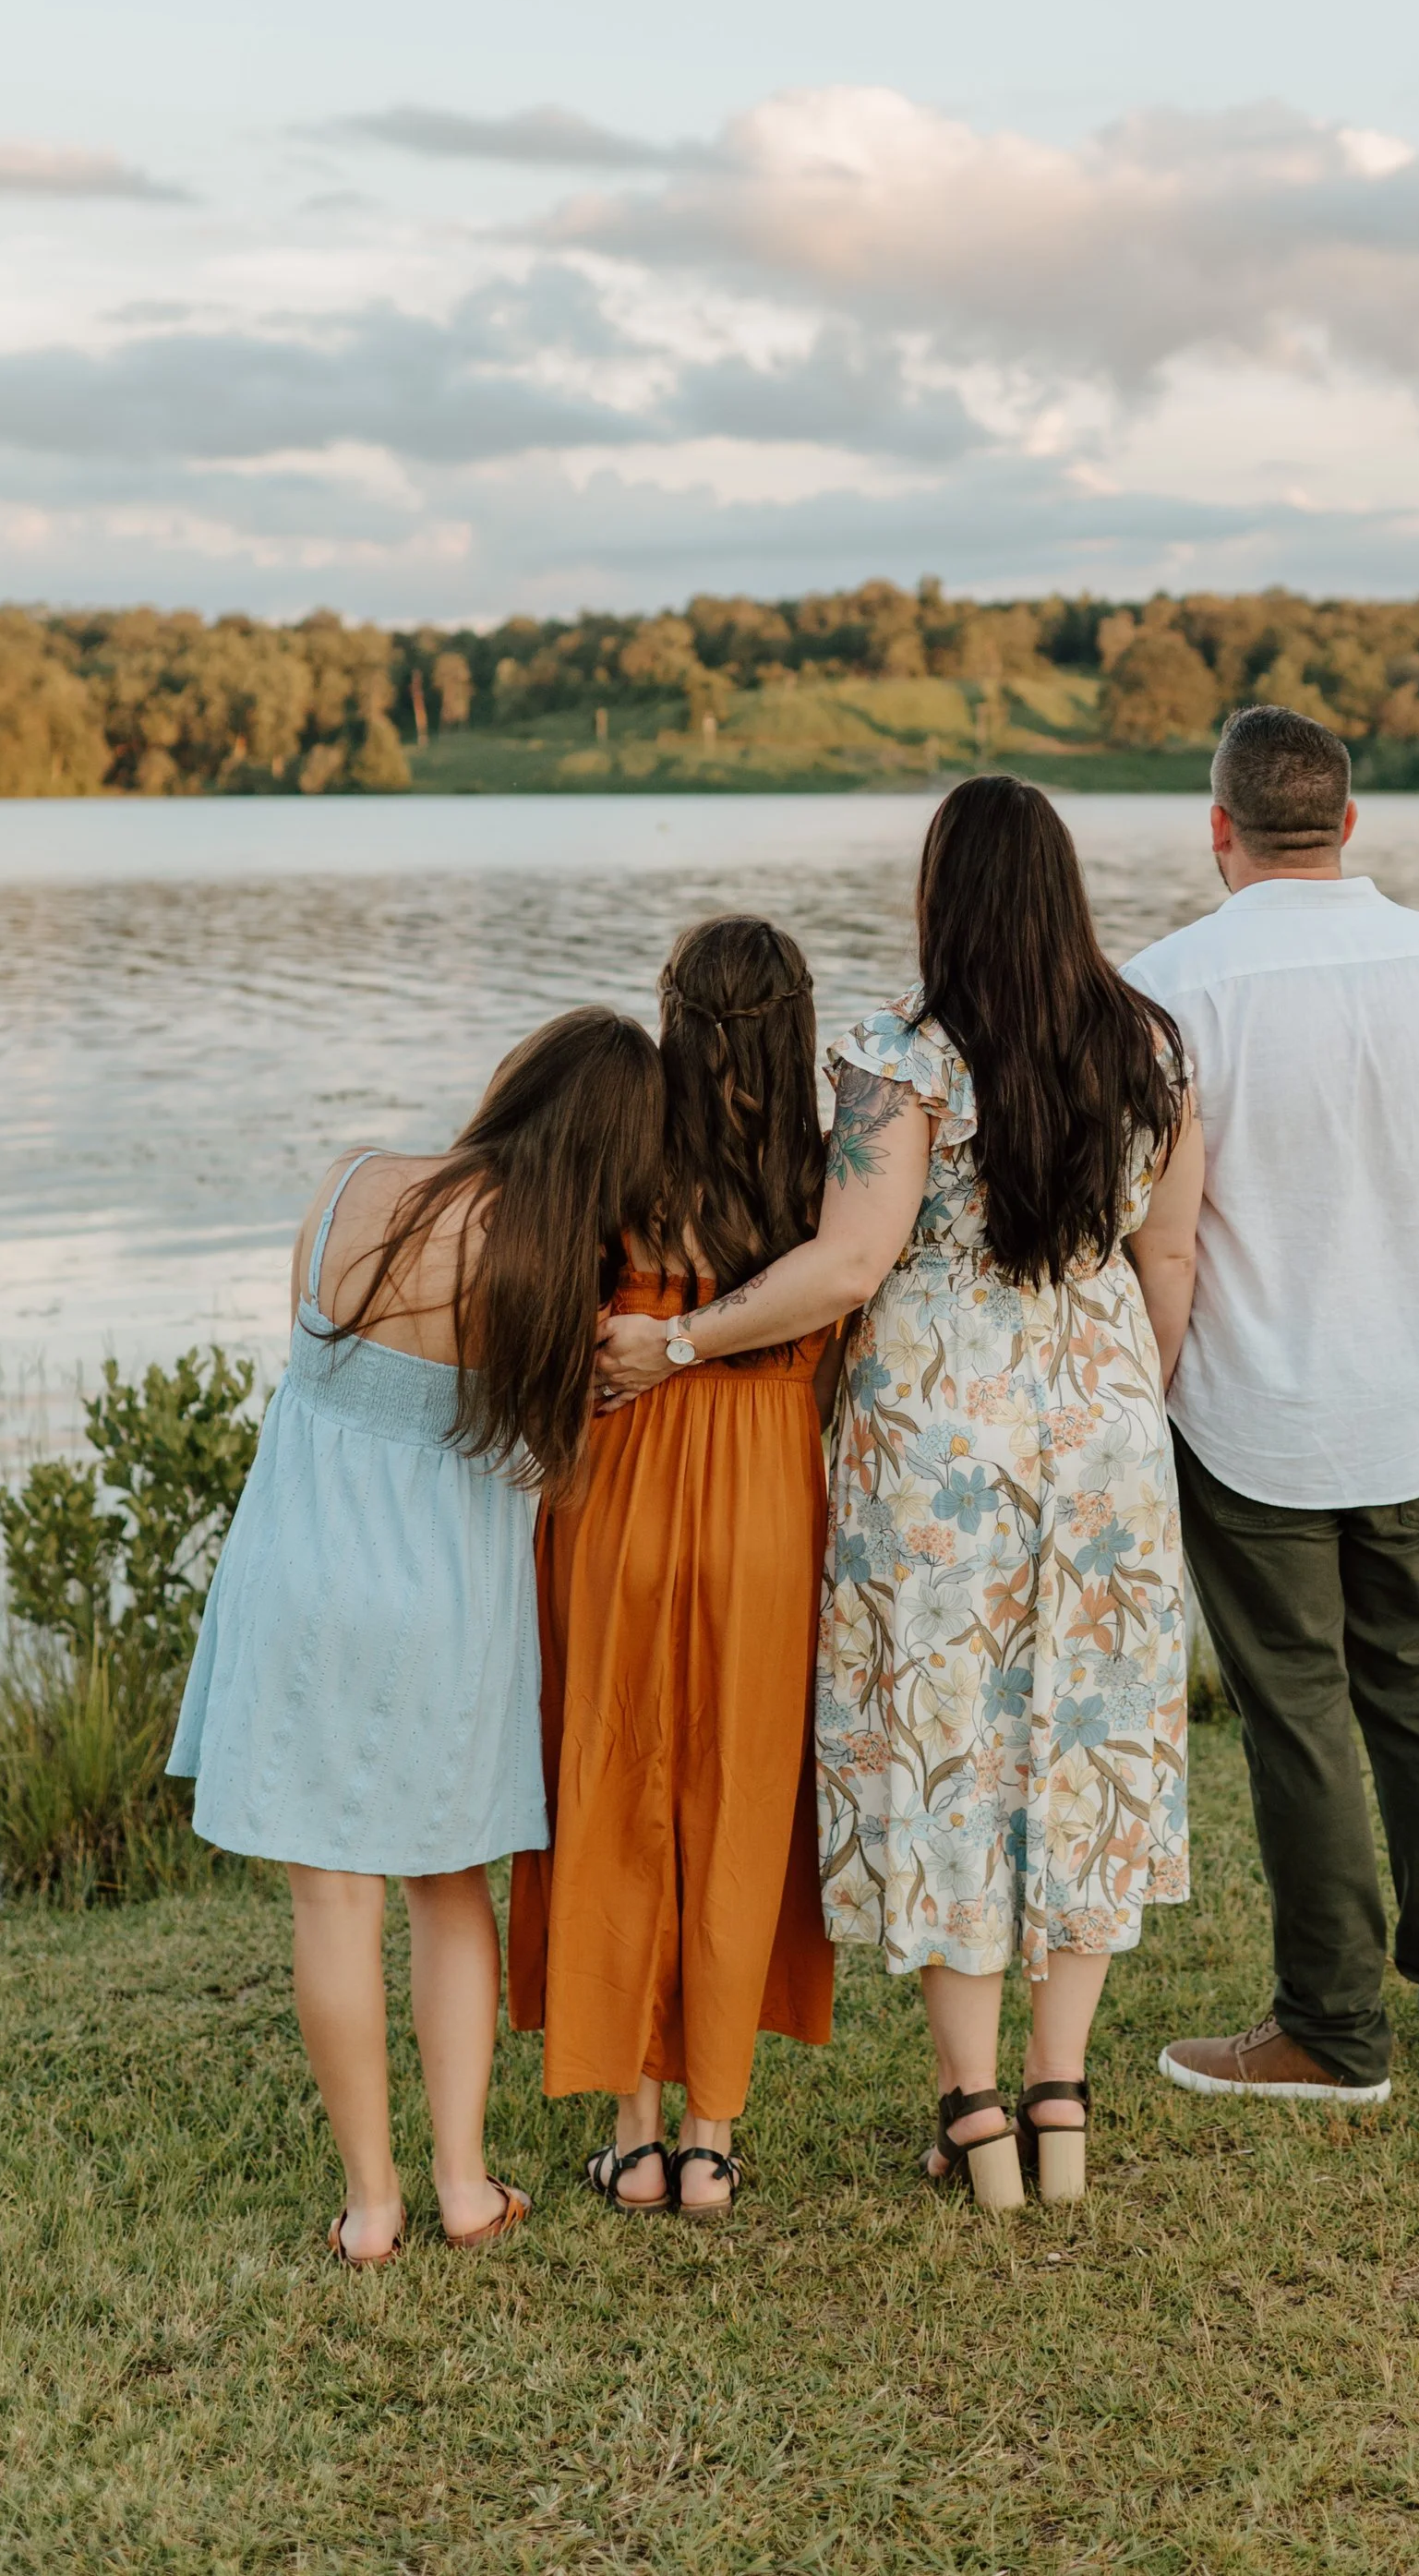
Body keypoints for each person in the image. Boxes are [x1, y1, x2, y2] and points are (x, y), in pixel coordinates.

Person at [595, 774, 1203, 2209]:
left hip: (938, 1448)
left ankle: (977, 2112)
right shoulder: (1157, 1051)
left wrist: (681, 1340)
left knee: (952, 1748)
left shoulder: (897, 1057)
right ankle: (1061, 2099)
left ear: (948, 897)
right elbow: (1167, 1259)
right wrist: (1124, 1407)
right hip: (1106, 1423)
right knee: (1085, 1750)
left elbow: (849, 1264)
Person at [168, 1008, 661, 2266]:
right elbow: (555, 1478)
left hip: (299, 1575)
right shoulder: (553, 1279)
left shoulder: (347, 1185)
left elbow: (313, 1376)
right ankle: (460, 2183)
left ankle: (372, 2205)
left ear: (512, 1088)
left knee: (332, 1902)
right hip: (442, 1601)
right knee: (450, 1885)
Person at [1120, 704, 1419, 2107]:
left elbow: (1139, 1224)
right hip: (1414, 1399)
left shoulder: (1170, 989)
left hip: (1247, 1410)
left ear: (1219, 827)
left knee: (1297, 1713)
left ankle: (1330, 2027)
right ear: (1350, 822)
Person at [508, 916, 838, 2220]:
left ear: (676, 1023)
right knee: (739, 1791)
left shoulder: (630, 1159)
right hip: (767, 1506)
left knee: (614, 1775)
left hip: (620, 1498)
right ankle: (710, 2136)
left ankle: (632, 2132)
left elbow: (545, 1303)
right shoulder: (823, 1182)